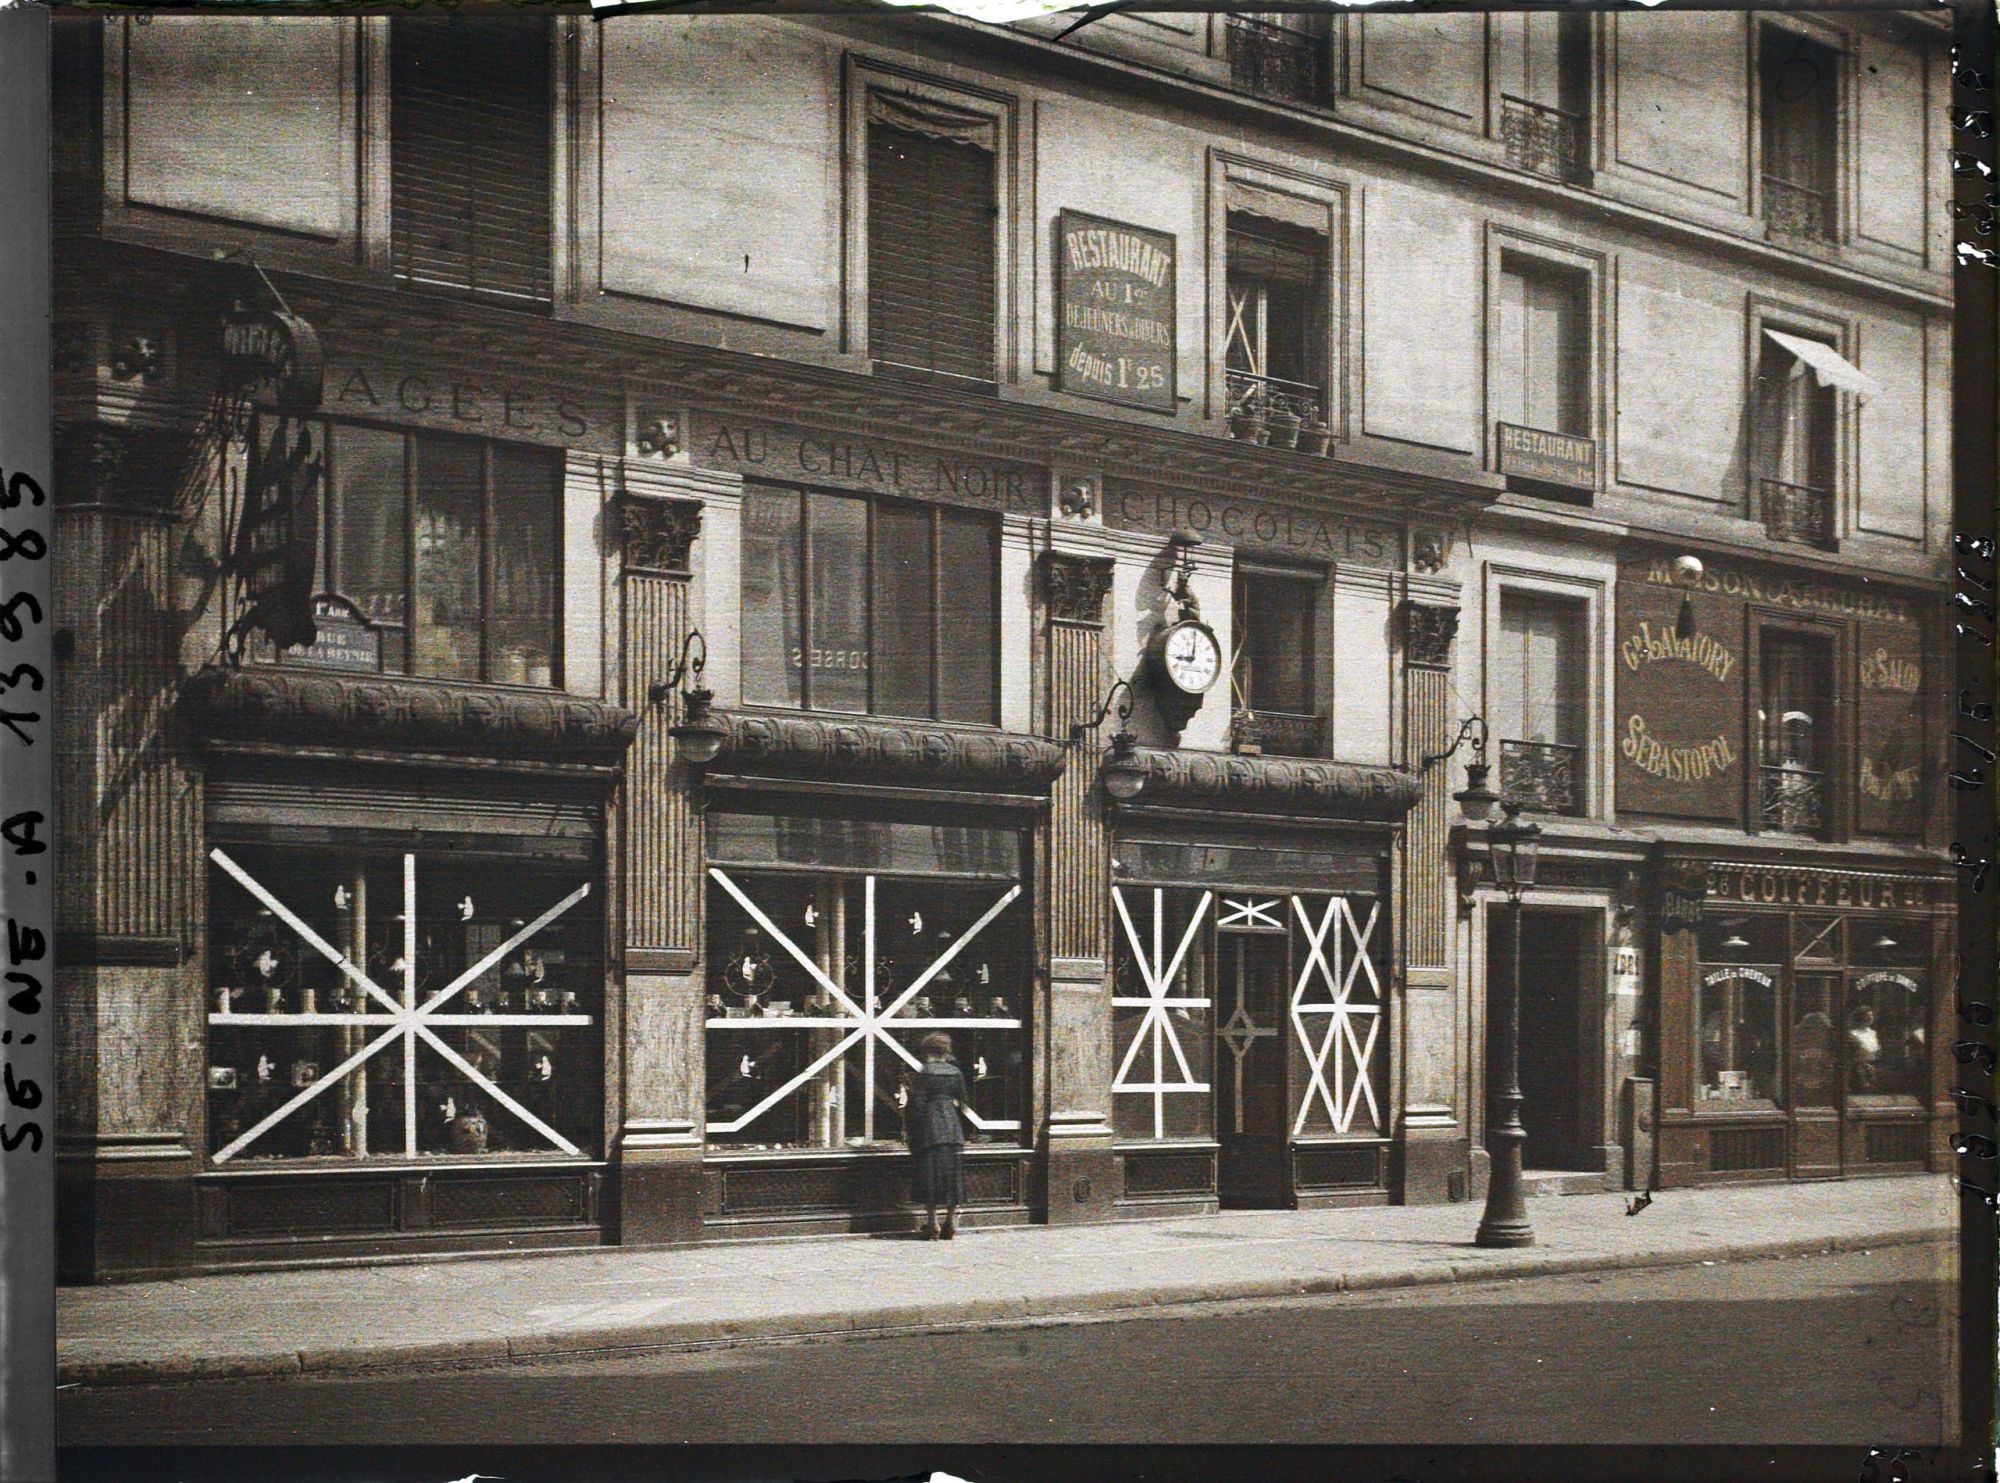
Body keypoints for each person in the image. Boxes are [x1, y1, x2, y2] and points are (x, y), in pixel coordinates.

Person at [904, 1031, 969, 1240]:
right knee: (952, 1178)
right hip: (952, 1129)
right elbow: (964, 1102)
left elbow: (917, 1105)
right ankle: (950, 1221)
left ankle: (932, 1224)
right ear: (946, 1051)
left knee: (930, 1178)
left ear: (927, 1051)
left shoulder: (924, 1073)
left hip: (930, 1130)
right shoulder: (955, 1072)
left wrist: (910, 1129)